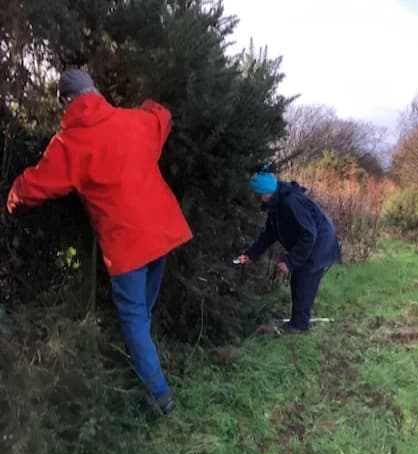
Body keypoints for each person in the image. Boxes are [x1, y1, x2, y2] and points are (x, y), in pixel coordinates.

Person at [7, 69, 193, 414]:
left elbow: (37, 185)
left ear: (66, 101)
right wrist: (149, 104)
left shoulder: (69, 143)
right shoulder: (133, 121)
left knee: (134, 317)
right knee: (143, 313)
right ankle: (146, 365)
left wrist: (14, 196)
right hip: (163, 231)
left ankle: (159, 397)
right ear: (94, 91)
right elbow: (161, 116)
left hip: (128, 244)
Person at [236, 170, 341, 332]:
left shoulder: (291, 202)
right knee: (298, 278)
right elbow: (270, 233)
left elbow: (309, 234)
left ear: (265, 192)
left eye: (257, 193)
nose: (256, 197)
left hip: (320, 242)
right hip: (311, 241)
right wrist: (251, 254)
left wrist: (290, 261)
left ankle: (299, 326)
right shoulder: (275, 204)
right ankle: (297, 321)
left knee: (304, 279)